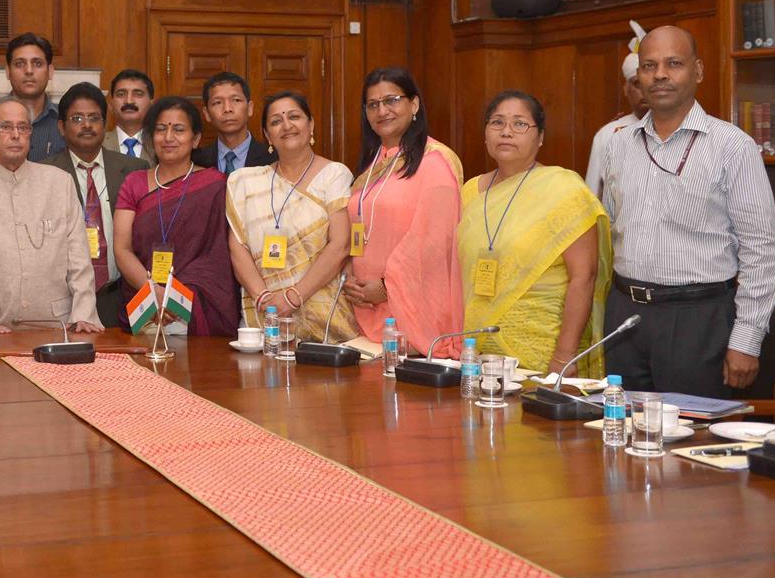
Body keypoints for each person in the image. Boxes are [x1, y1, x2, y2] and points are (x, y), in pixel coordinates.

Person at [601, 26, 775, 396]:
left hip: (698, 320)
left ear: (697, 71)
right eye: (649, 65)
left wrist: (746, 340)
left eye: (674, 63)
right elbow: (610, 233)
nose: (660, 74)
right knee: (621, 437)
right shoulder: (617, 146)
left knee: (692, 442)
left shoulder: (732, 147)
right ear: (638, 76)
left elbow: (762, 251)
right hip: (625, 317)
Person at [457, 91, 611, 377]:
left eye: (519, 124)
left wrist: (564, 356)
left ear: (540, 137)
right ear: (485, 134)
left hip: (541, 352)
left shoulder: (565, 191)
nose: (506, 131)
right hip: (475, 349)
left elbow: (584, 276)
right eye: (497, 122)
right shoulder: (470, 192)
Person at [0, 96, 104, 333]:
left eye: (23, 128)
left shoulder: (59, 183)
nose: (15, 135)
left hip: (58, 325)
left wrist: (83, 314)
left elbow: (78, 259)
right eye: (5, 127)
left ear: (30, 134)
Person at [344, 67, 464, 358]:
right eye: (373, 105)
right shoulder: (373, 165)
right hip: (366, 309)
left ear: (414, 105)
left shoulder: (434, 162)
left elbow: (435, 243)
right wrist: (350, 274)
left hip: (412, 314)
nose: (382, 111)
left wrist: (386, 287)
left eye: (391, 100)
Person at [226, 92, 357, 343]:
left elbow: (340, 244)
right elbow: (237, 246)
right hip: (266, 317)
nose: (286, 126)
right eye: (276, 121)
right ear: (267, 135)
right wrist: (265, 299)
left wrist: (293, 297)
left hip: (325, 317)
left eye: (294, 117)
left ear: (311, 125)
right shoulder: (245, 181)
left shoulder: (334, 175)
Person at [114, 96, 239, 337]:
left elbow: (218, 256)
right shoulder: (134, 183)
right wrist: (154, 292)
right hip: (144, 305)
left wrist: (176, 296)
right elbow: (122, 249)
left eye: (179, 129)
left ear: (196, 139)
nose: (169, 137)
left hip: (198, 302)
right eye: (161, 129)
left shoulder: (215, 185)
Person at [42, 82, 148, 326]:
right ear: (61, 127)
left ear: (105, 124)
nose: (87, 125)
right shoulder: (44, 173)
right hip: (64, 299)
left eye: (94, 118)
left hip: (121, 295)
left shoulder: (135, 170)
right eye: (77, 118)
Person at [0, 33, 65, 162]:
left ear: (50, 71)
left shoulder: (65, 122)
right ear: (8, 71)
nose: (29, 71)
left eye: (37, 63)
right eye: (20, 64)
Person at [584, 26, 649, 199]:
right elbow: (591, 199)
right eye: (637, 84)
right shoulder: (607, 135)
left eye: (650, 83)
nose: (645, 91)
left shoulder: (680, 130)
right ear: (626, 89)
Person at [193, 72, 273, 174]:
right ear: (207, 114)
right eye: (217, 102)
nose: (227, 109)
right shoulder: (197, 161)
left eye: (236, 100)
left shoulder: (273, 159)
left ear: (250, 108)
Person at [103, 68, 156, 166]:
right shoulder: (98, 144)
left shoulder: (162, 144)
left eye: (138, 94)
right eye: (121, 94)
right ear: (111, 105)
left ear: (151, 105)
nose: (129, 101)